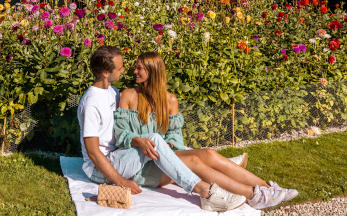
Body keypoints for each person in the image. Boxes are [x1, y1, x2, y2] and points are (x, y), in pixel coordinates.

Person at [115, 52, 299, 211]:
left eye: (139, 68)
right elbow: (120, 134)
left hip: (164, 155)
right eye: (136, 68)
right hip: (140, 164)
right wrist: (140, 141)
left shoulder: (170, 100)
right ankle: (254, 195)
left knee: (209, 154)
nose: (135, 72)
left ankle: (267, 188)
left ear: (153, 71)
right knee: (195, 161)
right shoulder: (129, 95)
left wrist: (169, 145)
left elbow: (174, 134)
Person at [78, 46, 246, 212]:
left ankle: (223, 167)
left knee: (169, 148)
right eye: (120, 67)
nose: (124, 70)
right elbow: (93, 152)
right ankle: (205, 191)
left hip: (120, 156)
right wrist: (120, 181)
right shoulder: (92, 102)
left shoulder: (112, 91)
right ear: (106, 73)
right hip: (99, 168)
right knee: (156, 141)